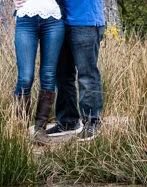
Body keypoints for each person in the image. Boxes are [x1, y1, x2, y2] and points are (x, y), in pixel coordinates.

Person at [45, 0, 105, 141]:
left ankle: (92, 122)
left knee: (86, 75)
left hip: (85, 21)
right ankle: (67, 121)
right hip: (58, 22)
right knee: (62, 75)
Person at [13, 0, 66, 136]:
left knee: (48, 75)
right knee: (25, 77)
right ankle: (19, 129)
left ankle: (40, 129)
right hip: (25, 20)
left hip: (53, 20)